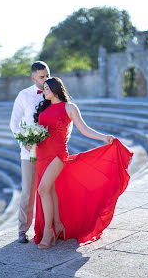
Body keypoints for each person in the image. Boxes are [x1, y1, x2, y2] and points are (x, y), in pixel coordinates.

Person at [33, 77, 133, 249]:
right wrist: (31, 140)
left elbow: (84, 128)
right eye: (44, 88)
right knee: (50, 190)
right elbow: (41, 131)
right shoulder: (45, 107)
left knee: (43, 189)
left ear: (57, 89)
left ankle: (48, 231)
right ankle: (58, 225)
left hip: (57, 155)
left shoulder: (69, 107)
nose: (45, 91)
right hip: (42, 154)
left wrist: (103, 137)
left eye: (48, 88)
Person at [10, 61, 50, 243]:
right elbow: (14, 123)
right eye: (42, 77)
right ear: (33, 78)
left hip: (50, 151)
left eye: (47, 75)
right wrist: (25, 141)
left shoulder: (53, 92)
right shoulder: (24, 96)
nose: (45, 79)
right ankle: (22, 230)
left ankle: (48, 228)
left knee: (50, 190)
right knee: (28, 191)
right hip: (30, 153)